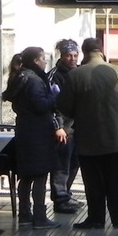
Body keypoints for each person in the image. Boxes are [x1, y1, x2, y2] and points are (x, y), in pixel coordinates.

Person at [57, 37, 118, 229]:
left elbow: (64, 106)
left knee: (93, 181)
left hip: (88, 138)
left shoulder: (75, 75)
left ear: (84, 52)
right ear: (101, 50)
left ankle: (96, 218)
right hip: (116, 137)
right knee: (117, 179)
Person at [1, 46, 64, 229]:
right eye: (43, 59)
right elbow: (40, 105)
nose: (45, 62)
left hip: (24, 130)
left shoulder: (20, 77)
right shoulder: (35, 80)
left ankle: (25, 214)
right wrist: (53, 96)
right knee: (40, 175)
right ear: (36, 61)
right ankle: (39, 216)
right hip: (38, 132)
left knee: (26, 175)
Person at [47, 39, 82, 214]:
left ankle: (66, 194)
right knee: (61, 164)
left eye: (75, 55)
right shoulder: (54, 76)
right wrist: (58, 126)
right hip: (63, 128)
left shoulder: (80, 72)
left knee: (75, 162)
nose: (73, 59)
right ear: (62, 56)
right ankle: (60, 199)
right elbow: (52, 104)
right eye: (69, 55)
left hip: (78, 127)